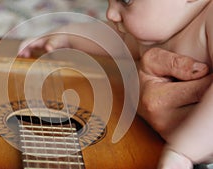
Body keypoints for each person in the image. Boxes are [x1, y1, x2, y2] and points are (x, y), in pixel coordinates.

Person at [19, 0, 213, 168]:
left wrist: (183, 152)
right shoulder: (159, 27)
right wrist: (68, 35)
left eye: (126, 0)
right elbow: (118, 40)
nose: (110, 13)